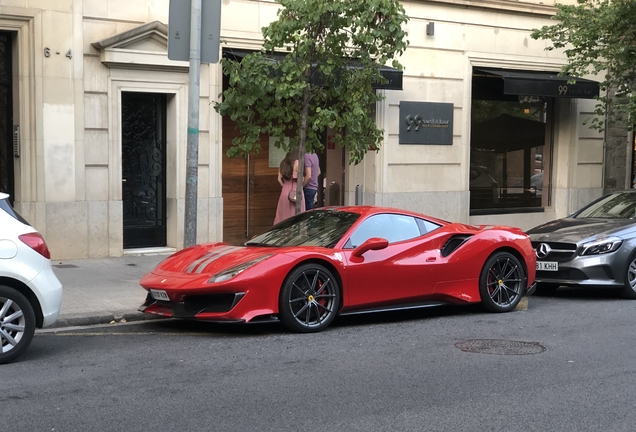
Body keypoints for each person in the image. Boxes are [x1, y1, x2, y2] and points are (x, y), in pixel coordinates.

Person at [274, 147, 305, 225]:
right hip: (296, 190)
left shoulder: (282, 163)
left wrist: (285, 186)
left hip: (285, 191)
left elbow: (279, 179)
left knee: (282, 215)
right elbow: (301, 179)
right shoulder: (298, 163)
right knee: (297, 214)